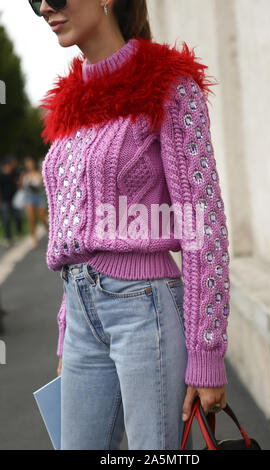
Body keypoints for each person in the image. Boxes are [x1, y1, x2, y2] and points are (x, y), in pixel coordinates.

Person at [30, 0, 231, 450]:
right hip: (82, 315)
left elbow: (204, 227)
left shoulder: (170, 85)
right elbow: (72, 233)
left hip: (146, 312)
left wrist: (207, 353)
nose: (45, 7)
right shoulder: (68, 104)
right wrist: (68, 326)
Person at [20, 156, 49, 249]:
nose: (28, 165)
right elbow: (21, 187)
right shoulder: (24, 175)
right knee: (31, 219)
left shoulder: (39, 173)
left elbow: (45, 186)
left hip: (39, 197)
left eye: (30, 162)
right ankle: (34, 239)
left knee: (42, 218)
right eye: (27, 163)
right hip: (29, 198)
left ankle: (48, 230)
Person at [0, 154, 23, 248]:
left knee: (18, 216)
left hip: (15, 199)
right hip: (5, 199)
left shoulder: (15, 172)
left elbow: (19, 185)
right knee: (6, 218)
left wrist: (20, 179)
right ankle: (8, 238)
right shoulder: (1, 174)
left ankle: (19, 233)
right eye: (13, 161)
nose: (15, 163)